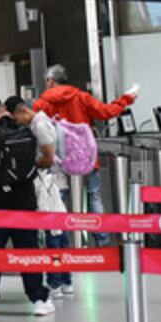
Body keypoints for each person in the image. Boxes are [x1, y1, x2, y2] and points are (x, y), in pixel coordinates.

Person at [0, 96, 55, 316]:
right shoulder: (25, 129)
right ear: (2, 109)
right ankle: (39, 299)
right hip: (25, 199)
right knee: (28, 249)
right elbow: (39, 159)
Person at [33, 64, 136, 245]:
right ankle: (101, 240)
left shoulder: (41, 103)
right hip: (85, 156)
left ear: (50, 80)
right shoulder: (81, 97)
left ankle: (58, 240)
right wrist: (126, 99)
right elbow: (106, 112)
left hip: (57, 157)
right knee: (94, 195)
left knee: (58, 197)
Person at [25, 102, 70, 296]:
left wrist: (27, 161)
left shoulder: (39, 125)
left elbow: (48, 159)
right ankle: (66, 280)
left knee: (53, 235)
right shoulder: (48, 122)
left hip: (50, 184)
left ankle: (55, 282)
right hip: (57, 183)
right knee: (60, 234)